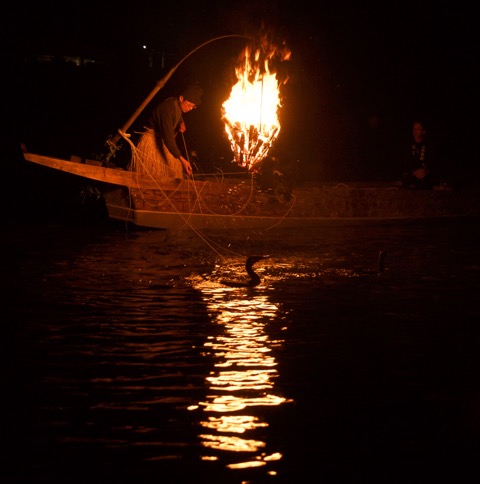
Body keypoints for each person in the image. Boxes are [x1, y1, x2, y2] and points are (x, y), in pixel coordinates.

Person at [132, 83, 203, 178]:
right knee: (153, 175)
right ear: (181, 98)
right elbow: (169, 141)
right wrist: (183, 161)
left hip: (164, 141)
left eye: (193, 107)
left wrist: (181, 122)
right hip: (153, 141)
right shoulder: (167, 109)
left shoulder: (176, 103)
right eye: (189, 105)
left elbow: (178, 113)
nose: (190, 109)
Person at [401, 120, 436, 189]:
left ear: (423, 131)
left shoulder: (429, 145)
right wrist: (414, 172)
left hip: (424, 174)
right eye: (414, 129)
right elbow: (405, 162)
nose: (415, 131)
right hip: (412, 174)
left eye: (418, 129)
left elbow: (432, 161)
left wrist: (425, 171)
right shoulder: (408, 145)